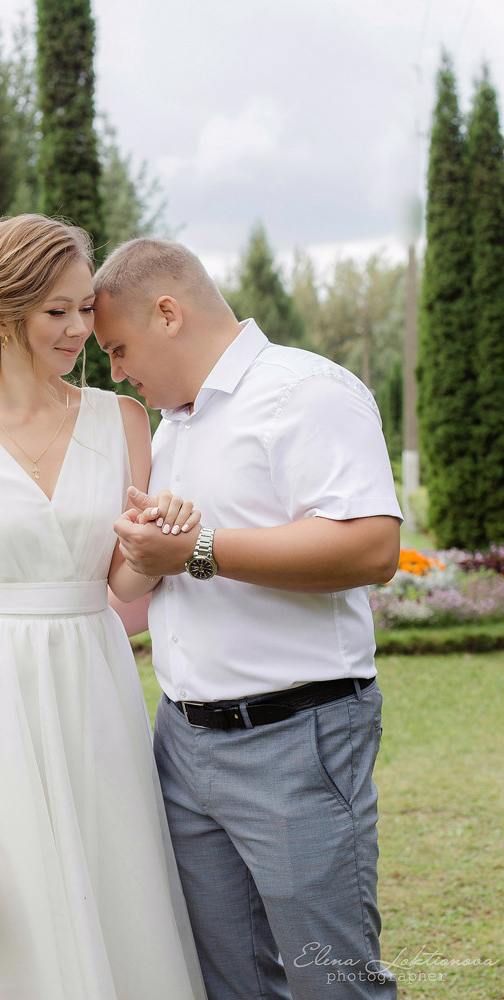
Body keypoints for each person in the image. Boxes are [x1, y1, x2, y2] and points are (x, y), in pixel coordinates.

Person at [0, 215, 207, 1000]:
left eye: (84, 308)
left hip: (90, 676)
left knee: (111, 873)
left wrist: (148, 544)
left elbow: (125, 585)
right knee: (14, 893)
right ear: (3, 313)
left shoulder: (122, 420)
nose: (79, 328)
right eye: (55, 311)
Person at [92, 237, 403, 1000]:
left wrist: (198, 548)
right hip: (183, 744)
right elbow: (149, 587)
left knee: (333, 981)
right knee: (226, 982)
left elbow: (371, 546)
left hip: (295, 740)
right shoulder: (171, 431)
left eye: (119, 348)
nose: (117, 372)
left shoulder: (306, 391)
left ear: (169, 312)